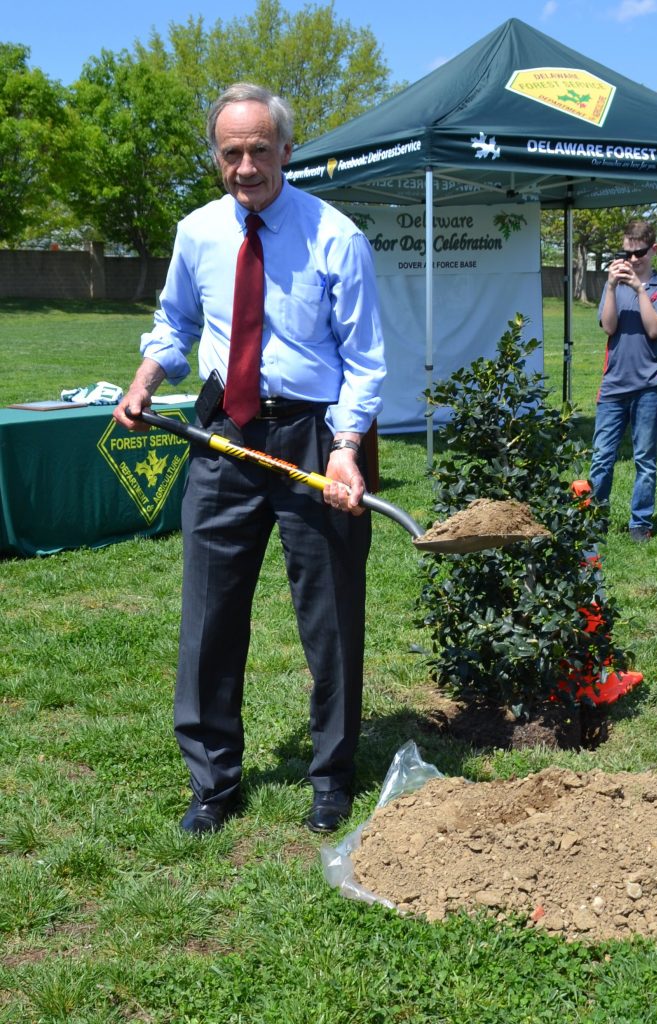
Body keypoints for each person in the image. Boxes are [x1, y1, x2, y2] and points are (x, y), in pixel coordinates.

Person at [113, 83, 385, 836]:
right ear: (216, 157)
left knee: (330, 619)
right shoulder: (197, 233)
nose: (245, 166)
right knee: (209, 615)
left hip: (315, 439)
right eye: (231, 152)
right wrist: (145, 379)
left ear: (287, 151)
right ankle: (213, 782)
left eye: (259, 150)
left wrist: (347, 451)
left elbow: (365, 361)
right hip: (224, 437)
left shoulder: (336, 236)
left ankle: (331, 776)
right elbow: (174, 324)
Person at [588, 219, 657, 542]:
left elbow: (655, 329)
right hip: (613, 386)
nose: (633, 259)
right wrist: (612, 286)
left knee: (645, 460)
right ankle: (595, 517)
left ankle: (640, 522)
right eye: (626, 253)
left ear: (653, 249)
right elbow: (608, 326)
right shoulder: (612, 285)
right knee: (602, 457)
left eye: (639, 253)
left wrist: (639, 289)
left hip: (648, 386)